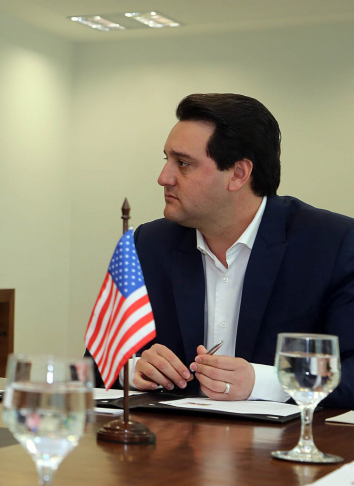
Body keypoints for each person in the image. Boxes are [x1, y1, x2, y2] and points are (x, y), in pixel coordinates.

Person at [131, 93, 354, 408]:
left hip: (282, 450)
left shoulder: (333, 243)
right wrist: (134, 368)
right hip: (174, 446)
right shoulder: (151, 242)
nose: (163, 178)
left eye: (182, 163)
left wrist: (266, 381)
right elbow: (100, 359)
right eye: (166, 160)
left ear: (238, 174)